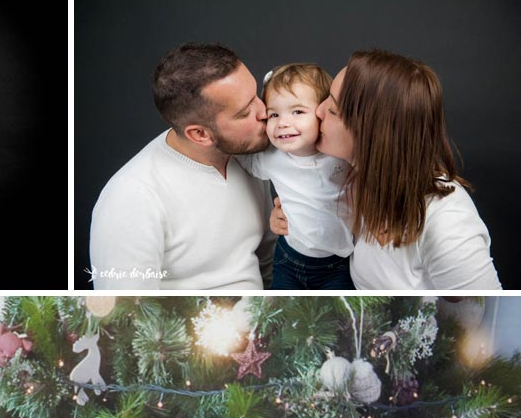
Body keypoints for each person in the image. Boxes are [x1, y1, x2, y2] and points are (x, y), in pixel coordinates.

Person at [271, 50, 501, 289]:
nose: (318, 110)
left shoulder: (446, 221)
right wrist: (293, 215)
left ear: (369, 132)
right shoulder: (352, 184)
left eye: (332, 109)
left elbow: (491, 310)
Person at [88, 43, 276, 290]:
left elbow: (269, 264)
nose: (264, 111)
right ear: (200, 134)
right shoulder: (131, 198)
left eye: (256, 94)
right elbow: (126, 314)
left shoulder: (251, 156)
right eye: (244, 112)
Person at [236, 63, 353, 289]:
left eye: (298, 111)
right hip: (289, 257)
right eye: (274, 114)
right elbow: (236, 154)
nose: (283, 123)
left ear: (322, 113)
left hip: (337, 264)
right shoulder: (271, 157)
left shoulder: (341, 156)